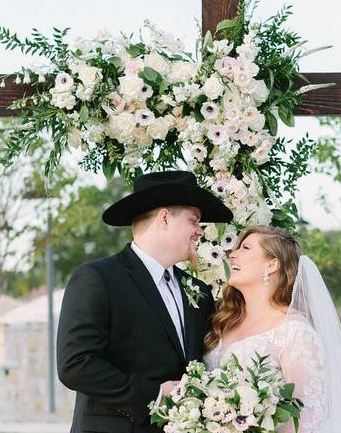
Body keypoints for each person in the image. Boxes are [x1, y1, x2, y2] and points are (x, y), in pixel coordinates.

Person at [56, 170, 233, 433]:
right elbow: (76, 365)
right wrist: (155, 394)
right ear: (164, 218)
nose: (200, 232)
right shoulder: (98, 278)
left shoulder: (197, 291)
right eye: (194, 221)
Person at [203, 226, 341, 433]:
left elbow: (308, 419)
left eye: (245, 248)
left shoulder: (294, 332)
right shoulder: (224, 321)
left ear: (272, 264)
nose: (232, 254)